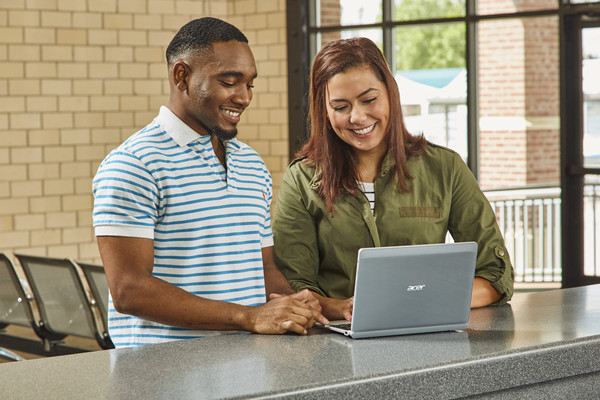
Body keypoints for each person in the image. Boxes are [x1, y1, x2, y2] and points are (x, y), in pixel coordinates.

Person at [92, 17, 326, 347]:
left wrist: (295, 304)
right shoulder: (134, 164)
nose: (244, 97)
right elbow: (130, 290)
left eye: (250, 84)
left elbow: (264, 266)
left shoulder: (251, 164)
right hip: (161, 379)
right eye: (230, 82)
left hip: (247, 370)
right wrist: (250, 316)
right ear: (181, 76)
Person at [272, 37, 514, 322]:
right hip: (333, 344)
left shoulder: (446, 168)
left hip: (430, 339)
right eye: (340, 107)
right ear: (324, 111)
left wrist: (419, 300)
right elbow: (295, 287)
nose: (357, 117)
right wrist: (341, 308)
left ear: (390, 94)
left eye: (369, 100)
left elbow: (496, 275)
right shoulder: (301, 180)